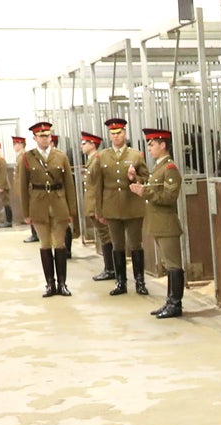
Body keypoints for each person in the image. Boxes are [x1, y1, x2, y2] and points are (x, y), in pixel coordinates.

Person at [15, 121, 77, 297]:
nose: (45, 139)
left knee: (59, 243)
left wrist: (71, 210)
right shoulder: (27, 158)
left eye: (47, 136)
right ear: (35, 138)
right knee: (45, 244)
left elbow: (69, 185)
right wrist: (26, 213)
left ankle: (62, 284)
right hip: (38, 204)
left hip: (58, 203)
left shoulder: (61, 156)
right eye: (41, 136)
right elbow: (23, 187)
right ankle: (50, 284)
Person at [129, 128, 186, 318]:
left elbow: (169, 196)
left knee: (173, 264)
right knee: (168, 264)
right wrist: (138, 181)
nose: (149, 148)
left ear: (163, 145)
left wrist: (144, 192)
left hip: (167, 223)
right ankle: (170, 301)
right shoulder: (159, 167)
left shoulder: (170, 168)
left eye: (152, 144)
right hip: (158, 223)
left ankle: (175, 303)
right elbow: (154, 188)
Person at [92, 117, 149, 296]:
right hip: (111, 207)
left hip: (132, 205)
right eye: (113, 133)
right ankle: (120, 282)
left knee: (136, 244)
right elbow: (97, 184)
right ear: (109, 135)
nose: (116, 136)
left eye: (119, 133)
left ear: (125, 133)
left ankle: (140, 281)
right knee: (117, 245)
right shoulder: (102, 156)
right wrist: (99, 210)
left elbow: (146, 178)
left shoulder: (135, 155)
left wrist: (135, 178)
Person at [80, 131, 115, 282]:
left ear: (92, 144)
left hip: (96, 205)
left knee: (105, 235)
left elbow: (97, 187)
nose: (82, 146)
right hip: (93, 204)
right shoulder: (91, 160)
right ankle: (109, 267)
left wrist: (97, 208)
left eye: (84, 143)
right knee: (104, 235)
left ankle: (110, 268)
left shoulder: (97, 160)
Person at [12, 136, 39, 243]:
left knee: (31, 211)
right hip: (22, 188)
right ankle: (34, 233)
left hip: (27, 189)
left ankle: (35, 234)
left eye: (16, 144)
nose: (14, 146)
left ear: (21, 144)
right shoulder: (20, 156)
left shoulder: (24, 156)